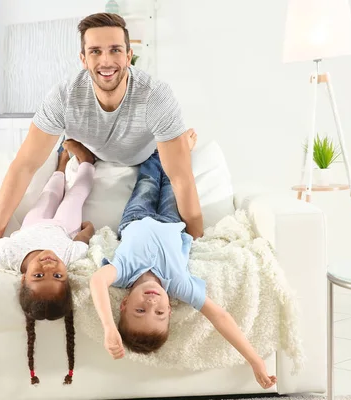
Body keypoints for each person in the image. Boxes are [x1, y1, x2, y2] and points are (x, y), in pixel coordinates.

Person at [0, 12, 203, 255]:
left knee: (163, 169)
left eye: (115, 50)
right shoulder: (64, 97)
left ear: (129, 56)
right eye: (95, 51)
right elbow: (24, 166)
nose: (106, 61)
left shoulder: (155, 96)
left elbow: (181, 176)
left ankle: (180, 144)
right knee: (67, 149)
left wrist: (198, 240)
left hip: (143, 153)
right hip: (92, 147)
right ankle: (74, 147)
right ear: (83, 59)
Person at [88, 145, 278, 390]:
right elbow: (220, 317)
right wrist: (255, 360)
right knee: (171, 181)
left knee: (147, 180)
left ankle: (152, 146)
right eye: (158, 313)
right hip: (171, 220)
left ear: (124, 304)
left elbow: (97, 282)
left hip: (136, 216)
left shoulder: (123, 272)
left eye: (139, 311)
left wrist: (109, 328)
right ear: (169, 309)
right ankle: (177, 148)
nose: (151, 304)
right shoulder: (178, 284)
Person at [0, 139, 96, 385]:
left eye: (39, 276)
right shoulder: (69, 257)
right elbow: (81, 241)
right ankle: (88, 163)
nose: (49, 267)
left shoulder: (9, 257)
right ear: (67, 277)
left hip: (34, 223)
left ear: (23, 278)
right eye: (57, 276)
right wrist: (88, 230)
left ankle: (61, 164)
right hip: (63, 226)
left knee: (50, 193)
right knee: (75, 196)